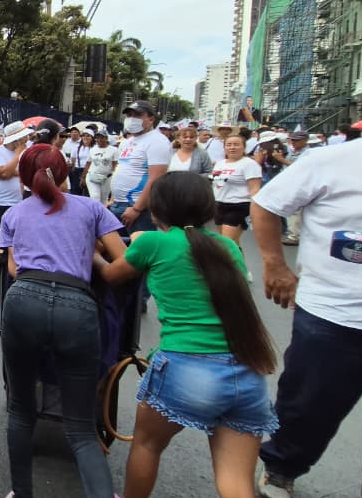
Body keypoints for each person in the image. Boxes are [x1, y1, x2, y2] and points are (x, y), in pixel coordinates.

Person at [251, 76, 362, 498]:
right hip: (336, 316)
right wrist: (275, 265)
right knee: (308, 406)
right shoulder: (333, 161)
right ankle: (281, 469)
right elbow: (268, 205)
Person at [99, 171, 278, 498]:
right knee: (236, 483)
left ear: (157, 210)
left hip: (186, 368)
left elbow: (112, 274)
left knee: (147, 446)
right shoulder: (227, 246)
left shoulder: (153, 242)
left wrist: (92, 252)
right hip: (246, 373)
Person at [0, 144, 127, 498]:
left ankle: (21, 493)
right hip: (77, 305)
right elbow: (124, 262)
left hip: (23, 301)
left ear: (24, 179)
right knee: (81, 427)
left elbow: (13, 268)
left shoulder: (15, 213)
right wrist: (93, 258)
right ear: (67, 172)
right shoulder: (91, 208)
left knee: (21, 411)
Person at [110, 100, 172, 233]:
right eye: (129, 115)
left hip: (138, 208)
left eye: (137, 115)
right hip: (119, 204)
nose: (131, 119)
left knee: (138, 249)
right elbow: (121, 169)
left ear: (151, 119)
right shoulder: (127, 142)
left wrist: (137, 208)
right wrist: (113, 199)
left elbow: (156, 178)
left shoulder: (157, 141)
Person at [210, 133, 261, 248]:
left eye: (236, 145)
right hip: (219, 205)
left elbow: (255, 189)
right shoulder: (219, 164)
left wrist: (255, 213)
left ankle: (232, 265)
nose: (232, 147)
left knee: (228, 243)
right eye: (229, 145)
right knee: (230, 244)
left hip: (239, 206)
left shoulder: (249, 164)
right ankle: (238, 265)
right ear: (224, 148)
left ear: (243, 147)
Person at [0, 121, 34, 222]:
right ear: (16, 140)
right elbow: (3, 174)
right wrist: (17, 155)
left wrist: (12, 172)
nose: (27, 138)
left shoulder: (27, 151)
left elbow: (30, 172)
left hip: (24, 200)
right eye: (24, 136)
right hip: (5, 202)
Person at [82, 129, 117, 204]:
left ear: (106, 138)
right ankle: (95, 214)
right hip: (93, 176)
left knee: (104, 199)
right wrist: (83, 177)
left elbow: (115, 165)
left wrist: (116, 178)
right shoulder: (93, 149)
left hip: (107, 178)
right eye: (97, 138)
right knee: (95, 197)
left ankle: (102, 214)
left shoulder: (113, 150)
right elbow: (88, 163)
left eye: (102, 137)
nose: (99, 140)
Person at [70, 129, 93, 195]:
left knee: (87, 192)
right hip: (78, 170)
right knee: (76, 192)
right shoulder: (77, 147)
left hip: (89, 171)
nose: (85, 137)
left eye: (88, 136)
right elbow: (73, 159)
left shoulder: (94, 148)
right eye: (84, 136)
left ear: (92, 137)